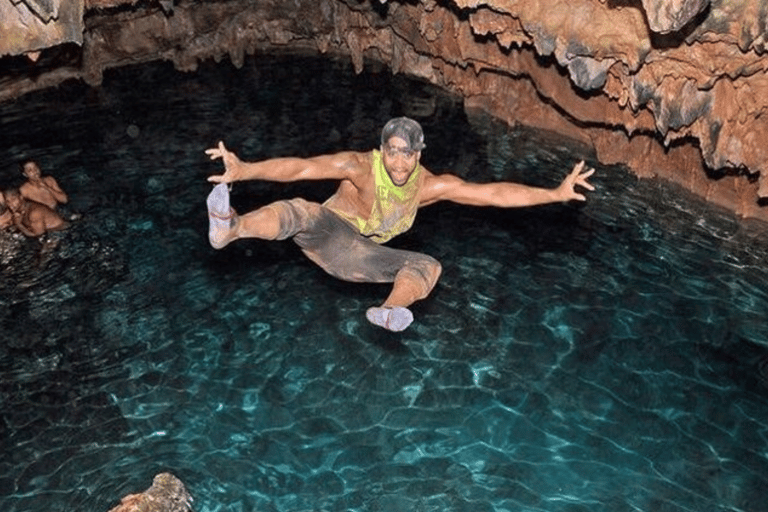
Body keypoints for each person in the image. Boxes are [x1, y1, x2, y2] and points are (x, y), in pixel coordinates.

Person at [206, 117, 594, 332]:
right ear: (381, 151)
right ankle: (232, 228)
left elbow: (492, 194)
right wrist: (246, 170)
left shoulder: (429, 185)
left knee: (428, 266)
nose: (399, 163)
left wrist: (554, 193)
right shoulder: (360, 166)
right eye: (392, 153)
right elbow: (303, 167)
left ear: (419, 154)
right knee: (302, 211)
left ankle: (390, 312)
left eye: (407, 155)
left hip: (362, 257)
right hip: (329, 233)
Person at [4, 188, 69, 237]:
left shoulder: (34, 213)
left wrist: (18, 224)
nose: (11, 204)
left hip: (62, 233)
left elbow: (38, 235)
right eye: (8, 201)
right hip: (50, 233)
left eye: (13, 199)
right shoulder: (19, 210)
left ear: (21, 197)